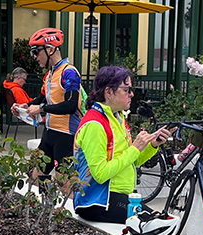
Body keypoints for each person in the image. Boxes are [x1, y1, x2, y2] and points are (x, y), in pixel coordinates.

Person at [72, 66, 173, 224]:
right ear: (109, 92)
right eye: (126, 89)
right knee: (153, 223)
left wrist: (152, 145)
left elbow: (132, 162)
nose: (132, 94)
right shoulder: (95, 124)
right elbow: (100, 174)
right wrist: (135, 148)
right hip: (96, 201)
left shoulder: (116, 118)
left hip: (114, 197)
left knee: (161, 221)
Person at [13, 28, 83, 175]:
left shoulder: (69, 72)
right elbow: (41, 99)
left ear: (50, 50)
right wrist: (24, 106)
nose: (34, 57)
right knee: (35, 177)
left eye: (36, 51)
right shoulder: (50, 74)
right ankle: (46, 198)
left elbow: (71, 105)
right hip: (49, 133)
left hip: (66, 135)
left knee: (64, 185)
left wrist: (41, 109)